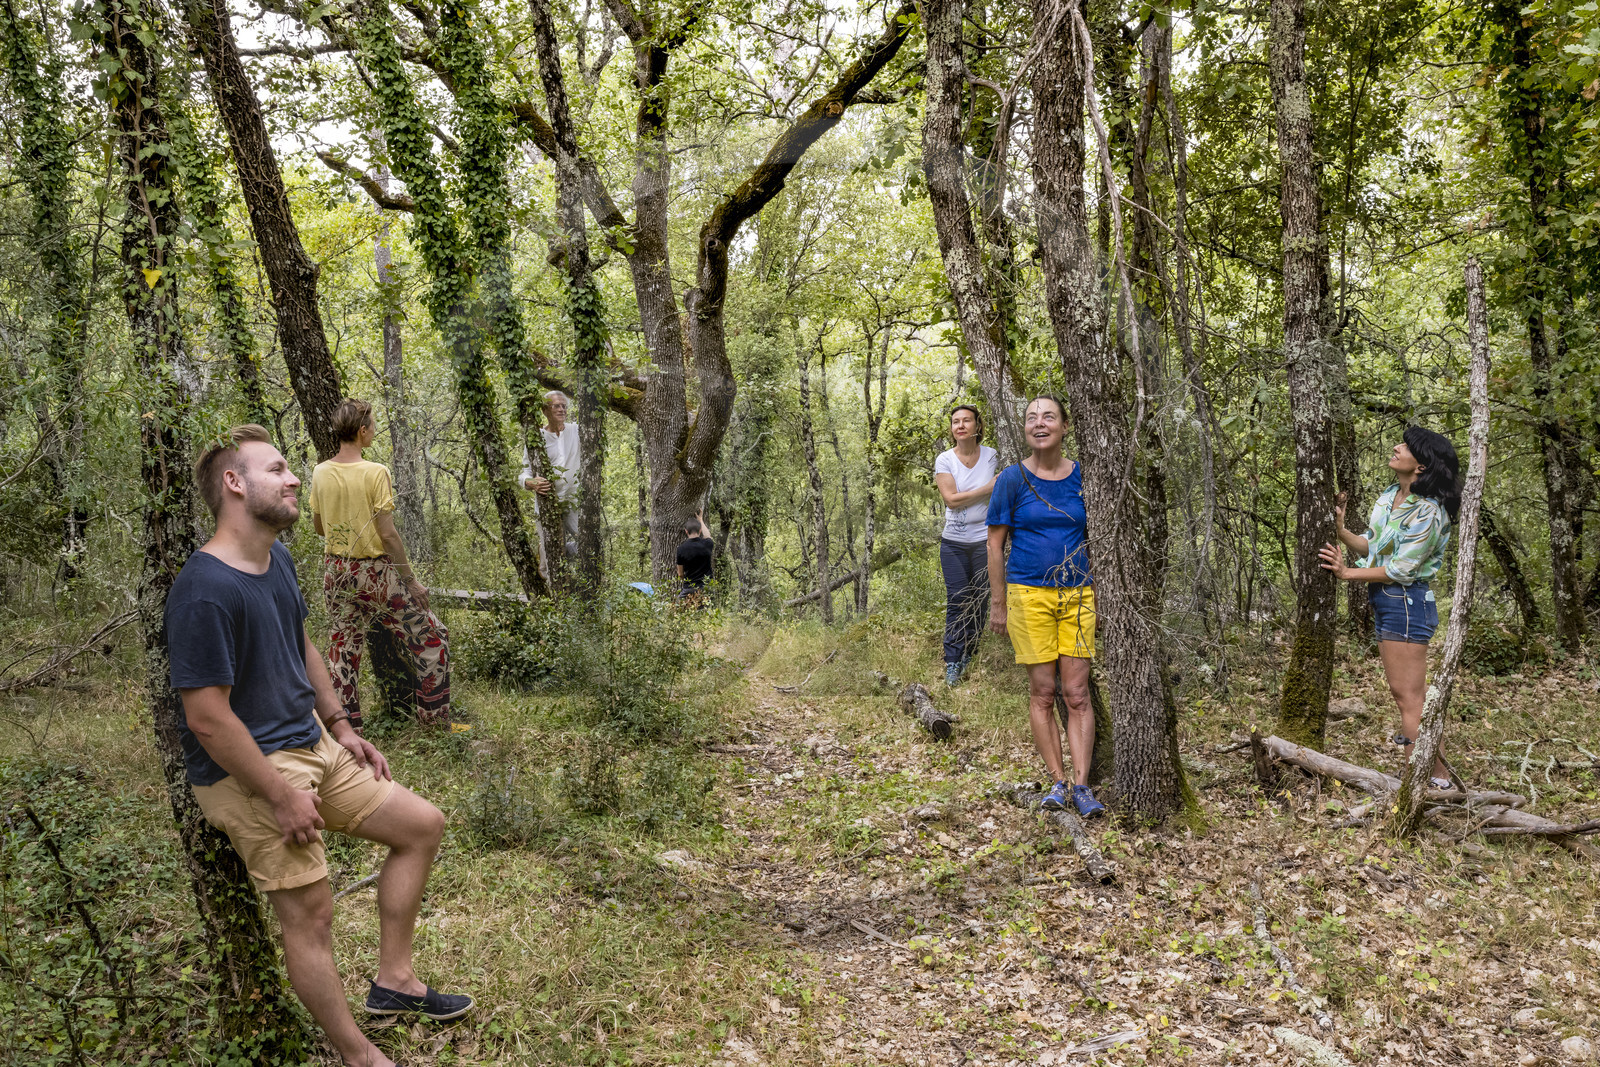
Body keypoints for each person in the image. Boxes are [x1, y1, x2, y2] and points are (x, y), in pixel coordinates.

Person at [167, 424, 472, 1067]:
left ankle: (395, 983)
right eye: (276, 469)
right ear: (234, 482)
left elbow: (301, 644)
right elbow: (208, 720)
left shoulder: (275, 558)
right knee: (310, 916)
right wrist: (280, 796)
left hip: (313, 744)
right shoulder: (203, 591)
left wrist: (342, 727)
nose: (294, 478)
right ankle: (360, 1056)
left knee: (422, 826)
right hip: (252, 772)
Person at [1319, 426, 1462, 787]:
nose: (1397, 447)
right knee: (1409, 697)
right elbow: (1374, 545)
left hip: (1408, 602)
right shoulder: (1389, 496)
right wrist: (1341, 531)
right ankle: (1432, 777)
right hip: (1387, 600)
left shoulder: (1428, 512)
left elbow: (1401, 569)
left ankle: (1429, 782)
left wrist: (1346, 573)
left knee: (1410, 698)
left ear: (1423, 467)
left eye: (1407, 446)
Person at [986, 397, 1105, 817]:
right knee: (1043, 692)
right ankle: (1057, 781)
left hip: (1078, 595)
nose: (1040, 424)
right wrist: (998, 604)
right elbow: (995, 545)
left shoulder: (1084, 479)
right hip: (1027, 594)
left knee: (1076, 694)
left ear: (1065, 426)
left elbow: (1100, 537)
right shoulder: (1011, 480)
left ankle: (1082, 787)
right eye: (1032, 418)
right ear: (1025, 429)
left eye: (1048, 417)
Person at [309, 399, 452, 732]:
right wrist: (411, 581)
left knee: (343, 653)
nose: (375, 430)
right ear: (362, 431)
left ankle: (346, 735)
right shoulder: (375, 472)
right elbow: (387, 535)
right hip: (374, 574)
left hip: (335, 572)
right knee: (433, 638)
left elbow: (319, 527)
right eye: (372, 425)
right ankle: (434, 724)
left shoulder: (320, 472)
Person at [934, 404, 998, 686]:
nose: (960, 425)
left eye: (966, 421)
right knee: (958, 600)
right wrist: (987, 489)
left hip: (986, 542)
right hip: (954, 544)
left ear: (977, 427)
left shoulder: (992, 456)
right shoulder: (945, 460)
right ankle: (952, 662)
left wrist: (967, 495)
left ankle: (969, 655)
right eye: (955, 422)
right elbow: (951, 499)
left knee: (980, 601)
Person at [519, 390, 581, 557]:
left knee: (588, 544)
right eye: (556, 406)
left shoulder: (576, 430)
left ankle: (566, 549)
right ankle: (546, 553)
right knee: (550, 559)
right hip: (548, 503)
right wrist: (529, 482)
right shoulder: (537, 437)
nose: (562, 410)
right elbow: (524, 472)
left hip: (573, 501)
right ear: (545, 410)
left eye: (564, 406)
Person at [676, 513, 714, 604]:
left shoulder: (681, 549)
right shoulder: (707, 544)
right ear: (700, 530)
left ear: (686, 531)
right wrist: (700, 519)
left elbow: (680, 574)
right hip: (705, 587)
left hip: (689, 588)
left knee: (678, 610)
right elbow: (707, 534)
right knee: (707, 613)